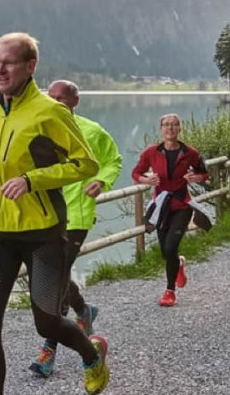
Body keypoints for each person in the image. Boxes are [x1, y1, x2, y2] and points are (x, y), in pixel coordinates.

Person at [0, 33, 109, 395]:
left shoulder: (51, 112)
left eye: (8, 62)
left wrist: (33, 181)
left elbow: (86, 164)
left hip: (43, 234)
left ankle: (90, 352)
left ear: (30, 67)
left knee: (46, 324)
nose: (0, 70)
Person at [28, 79, 123, 379]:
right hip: (43, 215)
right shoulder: (38, 128)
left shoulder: (92, 131)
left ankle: (48, 351)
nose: (55, 102)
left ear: (75, 102)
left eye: (62, 98)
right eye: (51, 96)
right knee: (55, 274)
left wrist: (102, 181)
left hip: (76, 216)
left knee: (53, 281)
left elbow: (113, 160)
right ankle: (83, 310)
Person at [130, 113, 210, 307]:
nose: (170, 128)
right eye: (166, 125)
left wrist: (196, 178)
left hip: (182, 205)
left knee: (170, 247)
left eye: (174, 125)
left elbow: (204, 173)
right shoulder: (152, 152)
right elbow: (136, 173)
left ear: (179, 128)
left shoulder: (189, 152)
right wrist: (146, 180)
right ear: (161, 129)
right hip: (161, 207)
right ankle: (179, 265)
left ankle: (169, 291)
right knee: (167, 252)